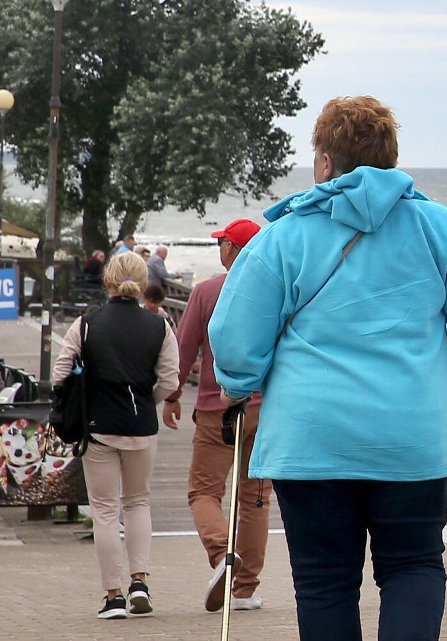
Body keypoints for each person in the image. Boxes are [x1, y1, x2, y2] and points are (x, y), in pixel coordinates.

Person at [208, 95, 447, 640]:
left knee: (325, 582)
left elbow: (234, 346)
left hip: (312, 441)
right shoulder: (439, 228)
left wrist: (241, 386)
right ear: (390, 158)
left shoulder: (284, 236)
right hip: (412, 439)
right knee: (414, 566)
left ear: (325, 162)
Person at [52, 251, 179, 620]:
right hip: (141, 426)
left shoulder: (87, 324)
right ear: (143, 285)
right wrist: (147, 400)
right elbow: (171, 380)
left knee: (105, 511)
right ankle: (140, 580)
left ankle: (114, 597)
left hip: (98, 427)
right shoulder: (159, 326)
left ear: (107, 282)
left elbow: (61, 373)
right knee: (138, 502)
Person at [162, 218, 269, 613]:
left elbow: (183, 348)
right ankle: (245, 590)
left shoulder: (207, 292)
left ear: (231, 249)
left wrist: (171, 396)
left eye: (222, 242)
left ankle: (224, 554)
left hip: (216, 407)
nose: (219, 248)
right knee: (256, 498)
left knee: (204, 491)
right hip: (264, 408)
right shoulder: (274, 293)